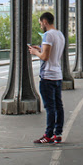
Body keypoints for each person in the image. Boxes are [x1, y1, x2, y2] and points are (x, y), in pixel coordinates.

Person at [28, 12, 65, 144]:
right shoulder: (60, 34)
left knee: (50, 107)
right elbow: (52, 52)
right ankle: (58, 134)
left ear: (44, 22)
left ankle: (48, 135)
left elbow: (45, 57)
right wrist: (40, 49)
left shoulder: (48, 35)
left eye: (40, 24)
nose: (40, 26)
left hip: (47, 76)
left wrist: (35, 52)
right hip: (57, 75)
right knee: (58, 106)